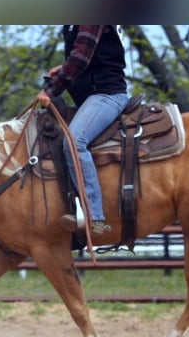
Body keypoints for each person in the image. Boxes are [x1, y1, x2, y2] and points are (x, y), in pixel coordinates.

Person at [37, 25, 129, 237]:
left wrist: (51, 90)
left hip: (106, 95)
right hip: (91, 97)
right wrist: (62, 69)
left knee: (73, 141)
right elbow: (94, 57)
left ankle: (93, 215)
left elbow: (80, 58)